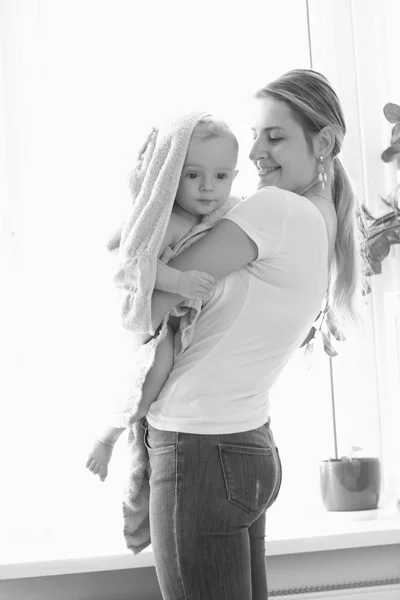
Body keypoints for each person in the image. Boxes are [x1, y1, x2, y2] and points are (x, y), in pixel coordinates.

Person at [137, 69, 366, 600]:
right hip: (247, 446)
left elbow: (145, 307)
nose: (257, 151)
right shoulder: (322, 215)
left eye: (276, 136)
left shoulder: (275, 210)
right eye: (256, 135)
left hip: (198, 448)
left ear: (324, 141)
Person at [86, 116, 239, 482]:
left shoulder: (224, 212)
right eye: (192, 175)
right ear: (170, 174)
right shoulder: (165, 219)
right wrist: (180, 280)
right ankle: (106, 437)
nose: (207, 187)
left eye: (221, 176)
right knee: (150, 379)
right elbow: (134, 264)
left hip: (188, 321)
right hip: (156, 326)